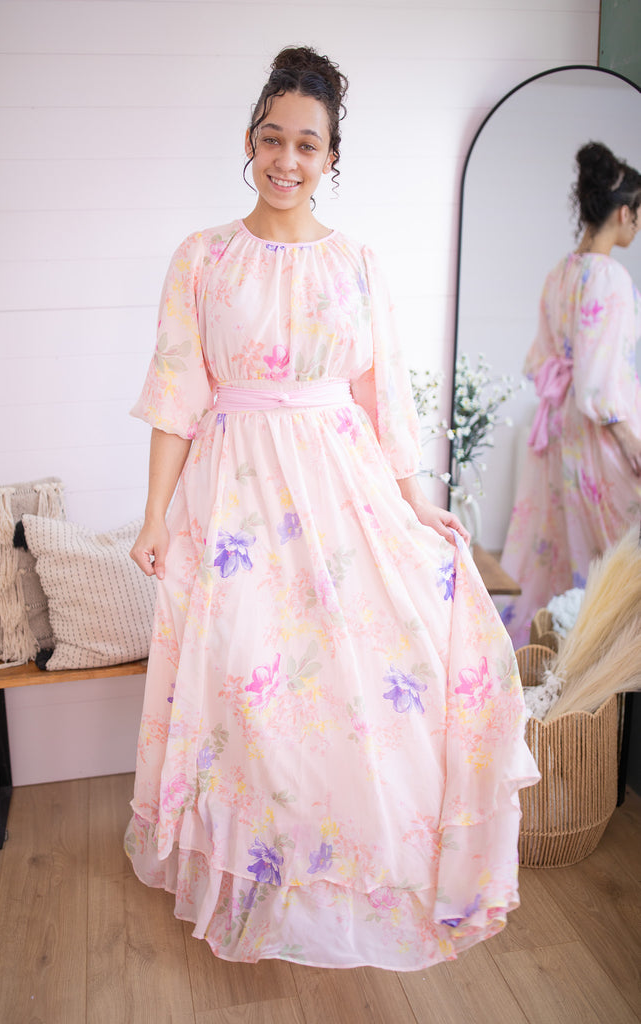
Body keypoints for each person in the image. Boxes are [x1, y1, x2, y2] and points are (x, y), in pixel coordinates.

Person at [125, 45, 538, 971]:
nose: (286, 159)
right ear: (250, 141)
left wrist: (414, 502)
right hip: (234, 500)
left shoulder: (355, 264)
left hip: (340, 494)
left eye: (306, 144)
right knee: (249, 693)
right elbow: (174, 395)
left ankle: (340, 882)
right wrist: (154, 516)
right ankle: (256, 881)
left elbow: (382, 396)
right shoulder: (202, 257)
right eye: (272, 138)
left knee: (347, 690)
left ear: (330, 158)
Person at [500, 141, 641, 648]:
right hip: (599, 434)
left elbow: (540, 360)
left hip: (560, 428)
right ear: (624, 213)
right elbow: (598, 384)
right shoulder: (610, 277)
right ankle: (606, 662)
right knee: (615, 556)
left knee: (565, 548)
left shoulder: (560, 271)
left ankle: (559, 653)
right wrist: (630, 441)